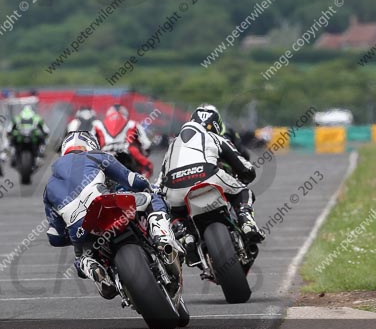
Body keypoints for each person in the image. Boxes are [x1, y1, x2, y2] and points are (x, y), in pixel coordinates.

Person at [43, 131, 182, 299]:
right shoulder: (95, 156)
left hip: (81, 228)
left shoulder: (49, 187)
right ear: (91, 145)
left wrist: (71, 235)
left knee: (80, 258)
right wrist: (147, 186)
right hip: (105, 204)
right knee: (152, 198)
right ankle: (162, 239)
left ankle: (94, 268)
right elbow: (132, 180)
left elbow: (55, 235)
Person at [157, 104, 263, 243]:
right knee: (243, 192)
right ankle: (245, 220)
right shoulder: (215, 137)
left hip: (176, 187)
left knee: (172, 209)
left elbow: (159, 182)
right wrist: (248, 174)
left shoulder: (173, 145)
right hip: (208, 177)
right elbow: (244, 165)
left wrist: (160, 193)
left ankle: (184, 233)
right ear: (217, 126)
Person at [93, 104, 153, 177]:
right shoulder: (133, 124)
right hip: (127, 155)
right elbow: (146, 143)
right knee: (148, 166)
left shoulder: (97, 124)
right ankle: (143, 184)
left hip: (104, 154)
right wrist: (145, 151)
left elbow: (90, 142)